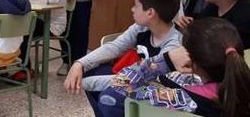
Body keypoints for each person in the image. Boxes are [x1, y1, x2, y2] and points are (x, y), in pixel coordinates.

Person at [63, 0, 183, 117]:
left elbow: (143, 82)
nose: (132, 9)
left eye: (136, 5)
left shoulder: (174, 46)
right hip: (136, 78)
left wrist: (86, 83)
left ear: (150, 13)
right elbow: (115, 47)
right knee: (88, 72)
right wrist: (80, 63)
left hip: (154, 95)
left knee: (108, 98)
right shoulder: (142, 27)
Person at [98, 18, 250, 117]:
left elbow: (118, 85)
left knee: (108, 98)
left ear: (193, 62)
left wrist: (167, 60)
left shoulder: (182, 100)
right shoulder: (240, 90)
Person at [16, 0, 67, 78]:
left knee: (22, 30)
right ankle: (8, 65)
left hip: (53, 26)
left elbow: (30, 4)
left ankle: (26, 69)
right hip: (40, 19)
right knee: (20, 26)